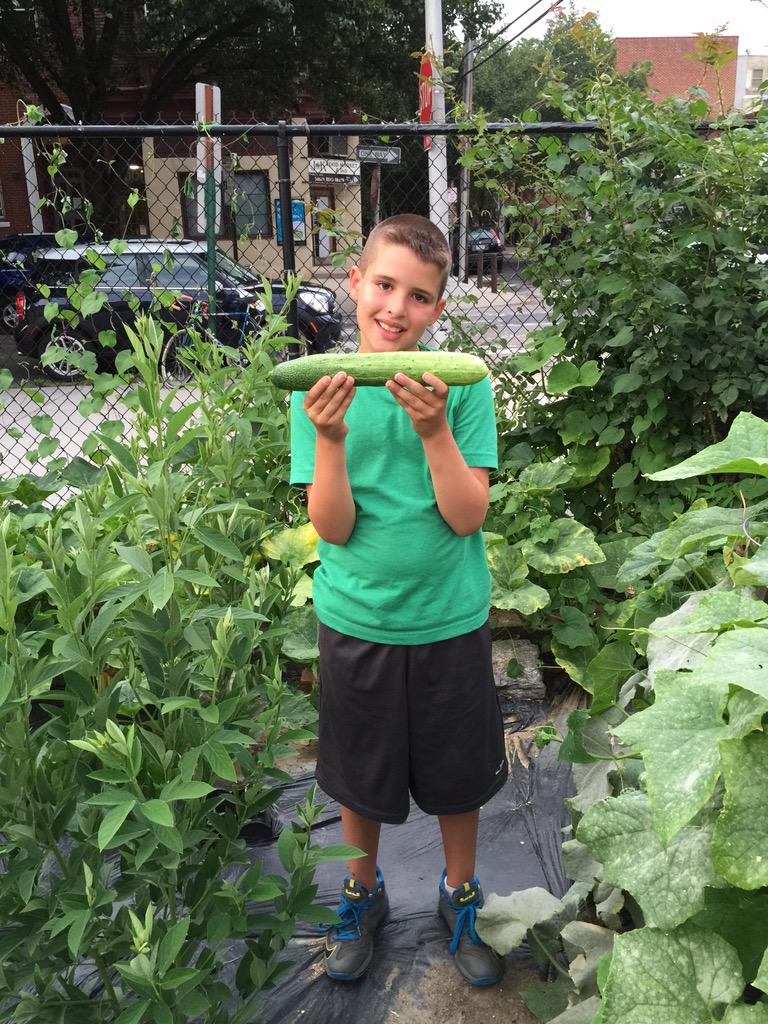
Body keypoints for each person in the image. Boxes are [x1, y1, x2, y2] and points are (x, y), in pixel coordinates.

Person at [289, 213, 507, 986]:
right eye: (384, 286)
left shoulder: (460, 387)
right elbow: (333, 528)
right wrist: (332, 440)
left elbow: (467, 514)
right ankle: (362, 892)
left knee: (458, 772)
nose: (396, 308)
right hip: (358, 620)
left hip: (449, 618)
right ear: (355, 285)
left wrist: (435, 430)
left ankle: (459, 894)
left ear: (437, 309)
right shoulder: (317, 394)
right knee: (358, 775)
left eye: (418, 296)